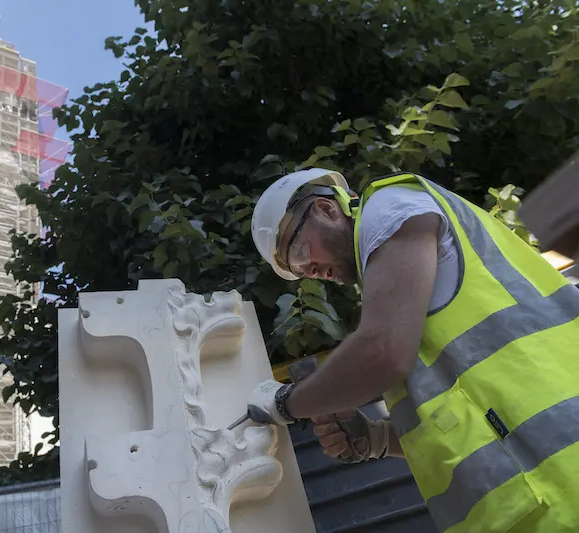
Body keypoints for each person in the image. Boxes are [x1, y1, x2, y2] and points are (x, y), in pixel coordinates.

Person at [243, 168, 579, 533]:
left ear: (327, 209)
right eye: (297, 270)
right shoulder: (404, 297)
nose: (309, 268)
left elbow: (383, 352)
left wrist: (286, 404)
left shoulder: (389, 207)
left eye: (299, 249)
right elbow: (467, 423)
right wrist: (379, 439)